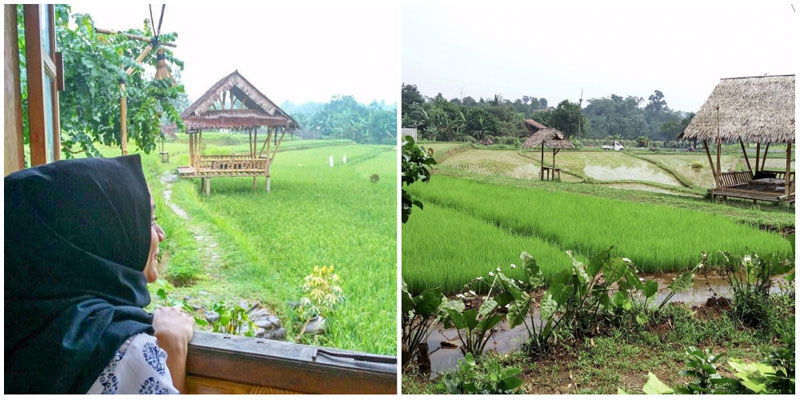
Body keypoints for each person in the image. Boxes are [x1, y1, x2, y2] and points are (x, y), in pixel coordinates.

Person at [4, 155, 194, 394]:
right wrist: (172, 346)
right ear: (103, 236)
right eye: (149, 221)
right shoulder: (123, 355)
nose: (161, 234)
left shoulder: (16, 317)